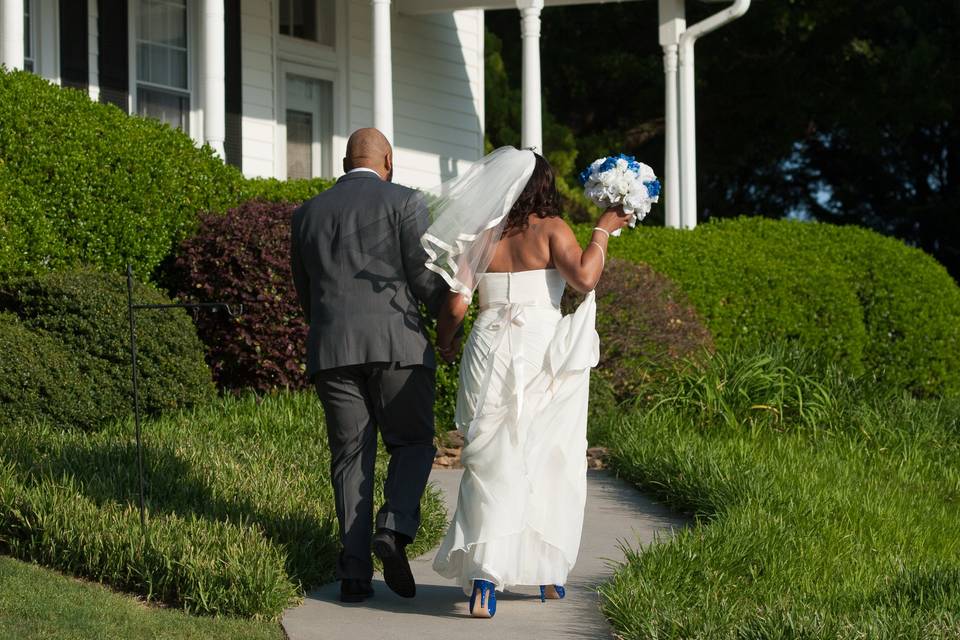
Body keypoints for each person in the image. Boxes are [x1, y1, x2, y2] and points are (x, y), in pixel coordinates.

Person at [426, 147, 630, 618]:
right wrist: (603, 228)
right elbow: (584, 278)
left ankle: (484, 579)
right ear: (544, 187)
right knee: (540, 453)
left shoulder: (483, 235)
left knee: (490, 457)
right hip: (537, 350)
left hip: (488, 345)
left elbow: (456, 306)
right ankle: (544, 572)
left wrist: (447, 343)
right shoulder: (554, 228)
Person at [289, 128, 448, 603]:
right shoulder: (405, 202)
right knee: (414, 442)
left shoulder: (307, 212)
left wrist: (330, 330)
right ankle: (393, 528)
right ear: (389, 160)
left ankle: (354, 575)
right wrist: (452, 300)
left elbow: (305, 292)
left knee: (349, 457)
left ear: (344, 161)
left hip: (332, 350)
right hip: (397, 345)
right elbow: (421, 278)